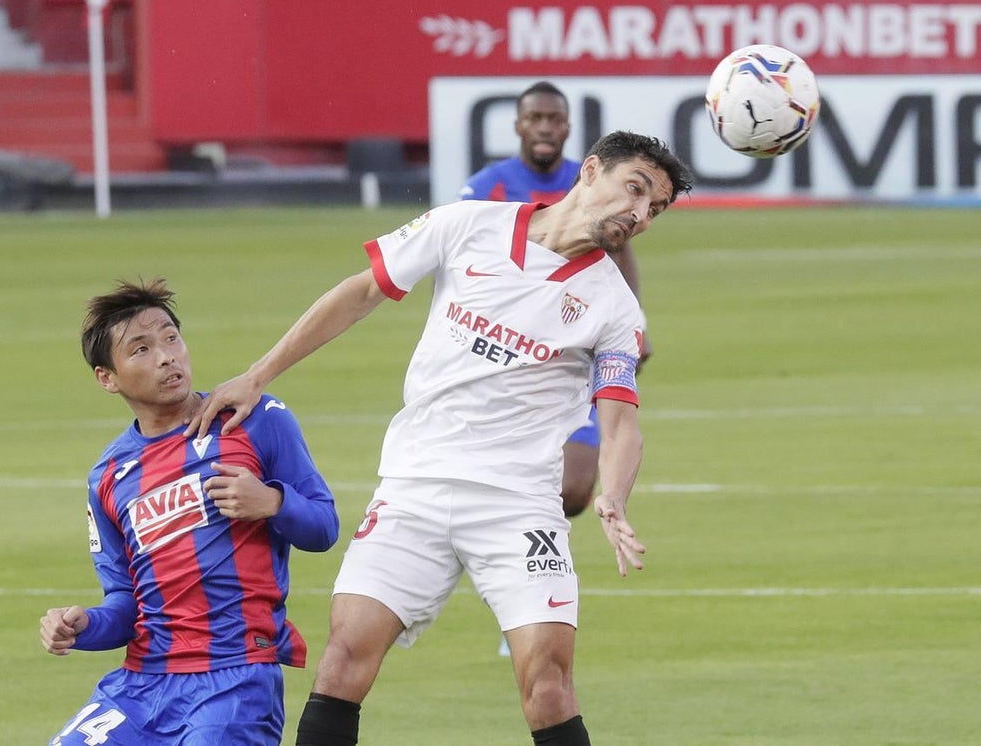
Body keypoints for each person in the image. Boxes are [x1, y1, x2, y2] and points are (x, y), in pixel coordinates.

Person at [186, 131, 694, 746]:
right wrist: (257, 374)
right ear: (590, 171)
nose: (640, 214)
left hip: (518, 506)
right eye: (635, 190)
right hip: (414, 487)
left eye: (655, 209)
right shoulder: (467, 225)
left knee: (548, 686)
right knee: (342, 661)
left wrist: (613, 493)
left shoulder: (615, 308)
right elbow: (362, 292)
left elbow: (619, 420)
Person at [39, 278, 340, 746]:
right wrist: (83, 626)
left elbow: (325, 526)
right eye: (140, 349)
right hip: (141, 685)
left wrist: (272, 503)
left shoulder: (255, 420)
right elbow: (125, 605)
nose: (166, 356)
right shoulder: (108, 475)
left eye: (171, 338)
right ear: (107, 377)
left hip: (234, 678)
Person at [458, 80, 651, 519]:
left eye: (554, 119)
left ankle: (511, 534)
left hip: (577, 346)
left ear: (568, 128)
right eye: (535, 118)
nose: (545, 128)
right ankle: (513, 549)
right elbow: (456, 269)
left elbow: (621, 254)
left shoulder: (591, 185)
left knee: (576, 488)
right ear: (518, 126)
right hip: (500, 351)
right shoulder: (484, 189)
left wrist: (636, 325)